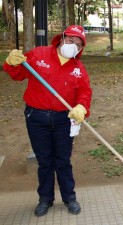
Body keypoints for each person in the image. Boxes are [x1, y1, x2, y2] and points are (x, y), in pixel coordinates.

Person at [3, 25, 92, 217]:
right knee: (44, 161)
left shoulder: (78, 68)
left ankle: (69, 197)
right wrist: (12, 63)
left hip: (63, 120)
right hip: (36, 118)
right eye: (70, 40)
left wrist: (82, 107)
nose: (73, 46)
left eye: (78, 45)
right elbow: (17, 74)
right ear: (61, 38)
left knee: (63, 160)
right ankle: (45, 199)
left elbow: (85, 92)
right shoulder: (39, 54)